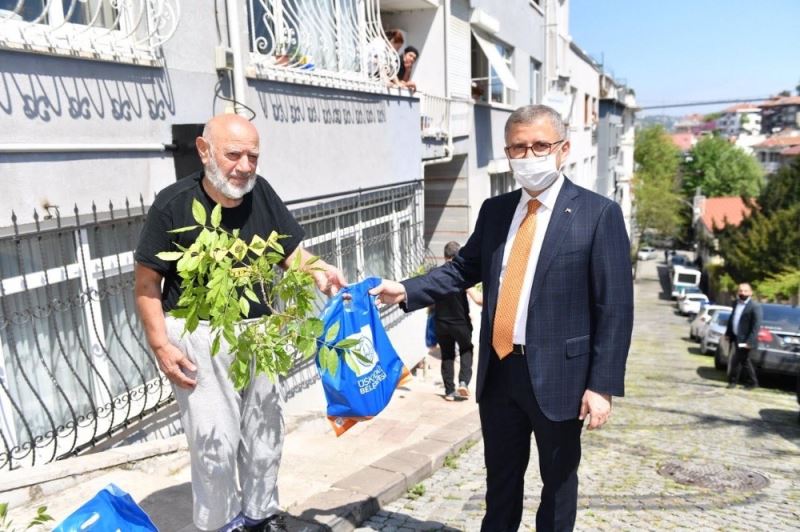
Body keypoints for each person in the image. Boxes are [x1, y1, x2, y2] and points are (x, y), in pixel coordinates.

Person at [370, 104, 633, 531]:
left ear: (563, 149)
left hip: (562, 378)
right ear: (507, 154)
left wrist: (601, 386)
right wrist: (406, 289)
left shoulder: (597, 214)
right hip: (500, 372)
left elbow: (615, 307)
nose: (529, 156)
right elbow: (461, 270)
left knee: (558, 486)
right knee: (501, 484)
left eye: (540, 146)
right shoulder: (496, 211)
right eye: (518, 148)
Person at [134, 114, 345, 532]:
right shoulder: (172, 205)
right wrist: (161, 346)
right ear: (204, 150)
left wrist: (319, 269)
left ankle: (261, 515)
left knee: (266, 436)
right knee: (216, 443)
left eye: (253, 156)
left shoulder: (260, 193)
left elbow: (290, 253)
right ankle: (222, 525)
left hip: (259, 335)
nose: (245, 166)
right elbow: (145, 285)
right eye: (234, 155)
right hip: (200, 338)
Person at [435, 241, 482, 401]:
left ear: (444, 255)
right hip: (460, 323)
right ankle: (463, 382)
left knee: (447, 355)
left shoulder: (436, 273)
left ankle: (449, 391)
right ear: (457, 255)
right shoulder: (460, 274)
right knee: (466, 349)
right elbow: (477, 299)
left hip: (441, 322)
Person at [724, 283, 761, 389]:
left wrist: (750, 341)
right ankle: (747, 382)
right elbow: (732, 319)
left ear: (750, 293)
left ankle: (742, 382)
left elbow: (756, 325)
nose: (742, 293)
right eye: (740, 291)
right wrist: (728, 333)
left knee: (739, 360)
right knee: (742, 360)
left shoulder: (755, 306)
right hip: (736, 336)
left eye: (745, 291)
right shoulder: (736, 303)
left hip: (746, 339)